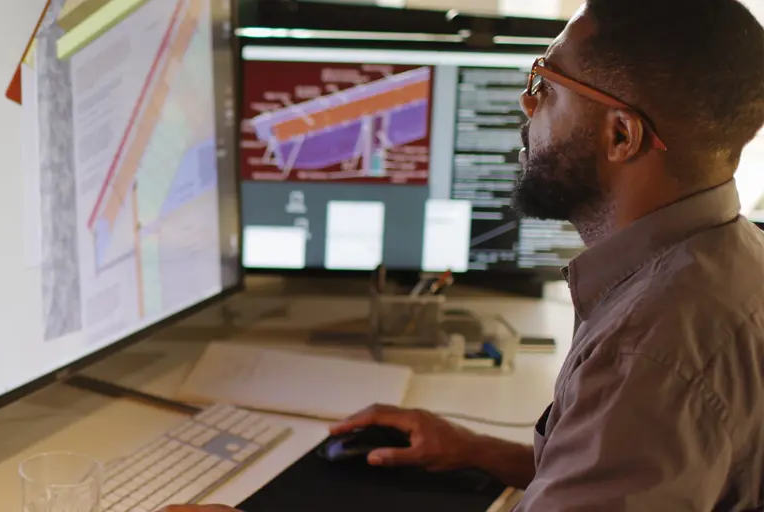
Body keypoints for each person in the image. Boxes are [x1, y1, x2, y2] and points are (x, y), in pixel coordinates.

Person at [164, 0, 764, 509]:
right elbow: (617, 480)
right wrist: (476, 452)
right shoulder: (723, 261)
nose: (526, 107)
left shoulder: (654, 351)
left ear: (621, 135)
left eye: (545, 87)